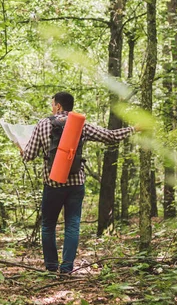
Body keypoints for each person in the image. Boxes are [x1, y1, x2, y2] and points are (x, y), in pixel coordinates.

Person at [21, 91, 137, 274]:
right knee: (72, 225)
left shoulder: (43, 124)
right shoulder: (80, 125)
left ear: (58, 106)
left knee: (48, 225)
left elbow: (29, 155)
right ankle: (66, 268)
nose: (52, 108)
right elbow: (110, 136)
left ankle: (51, 267)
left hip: (52, 184)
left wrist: (22, 149)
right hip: (76, 184)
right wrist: (133, 129)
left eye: (53, 104)